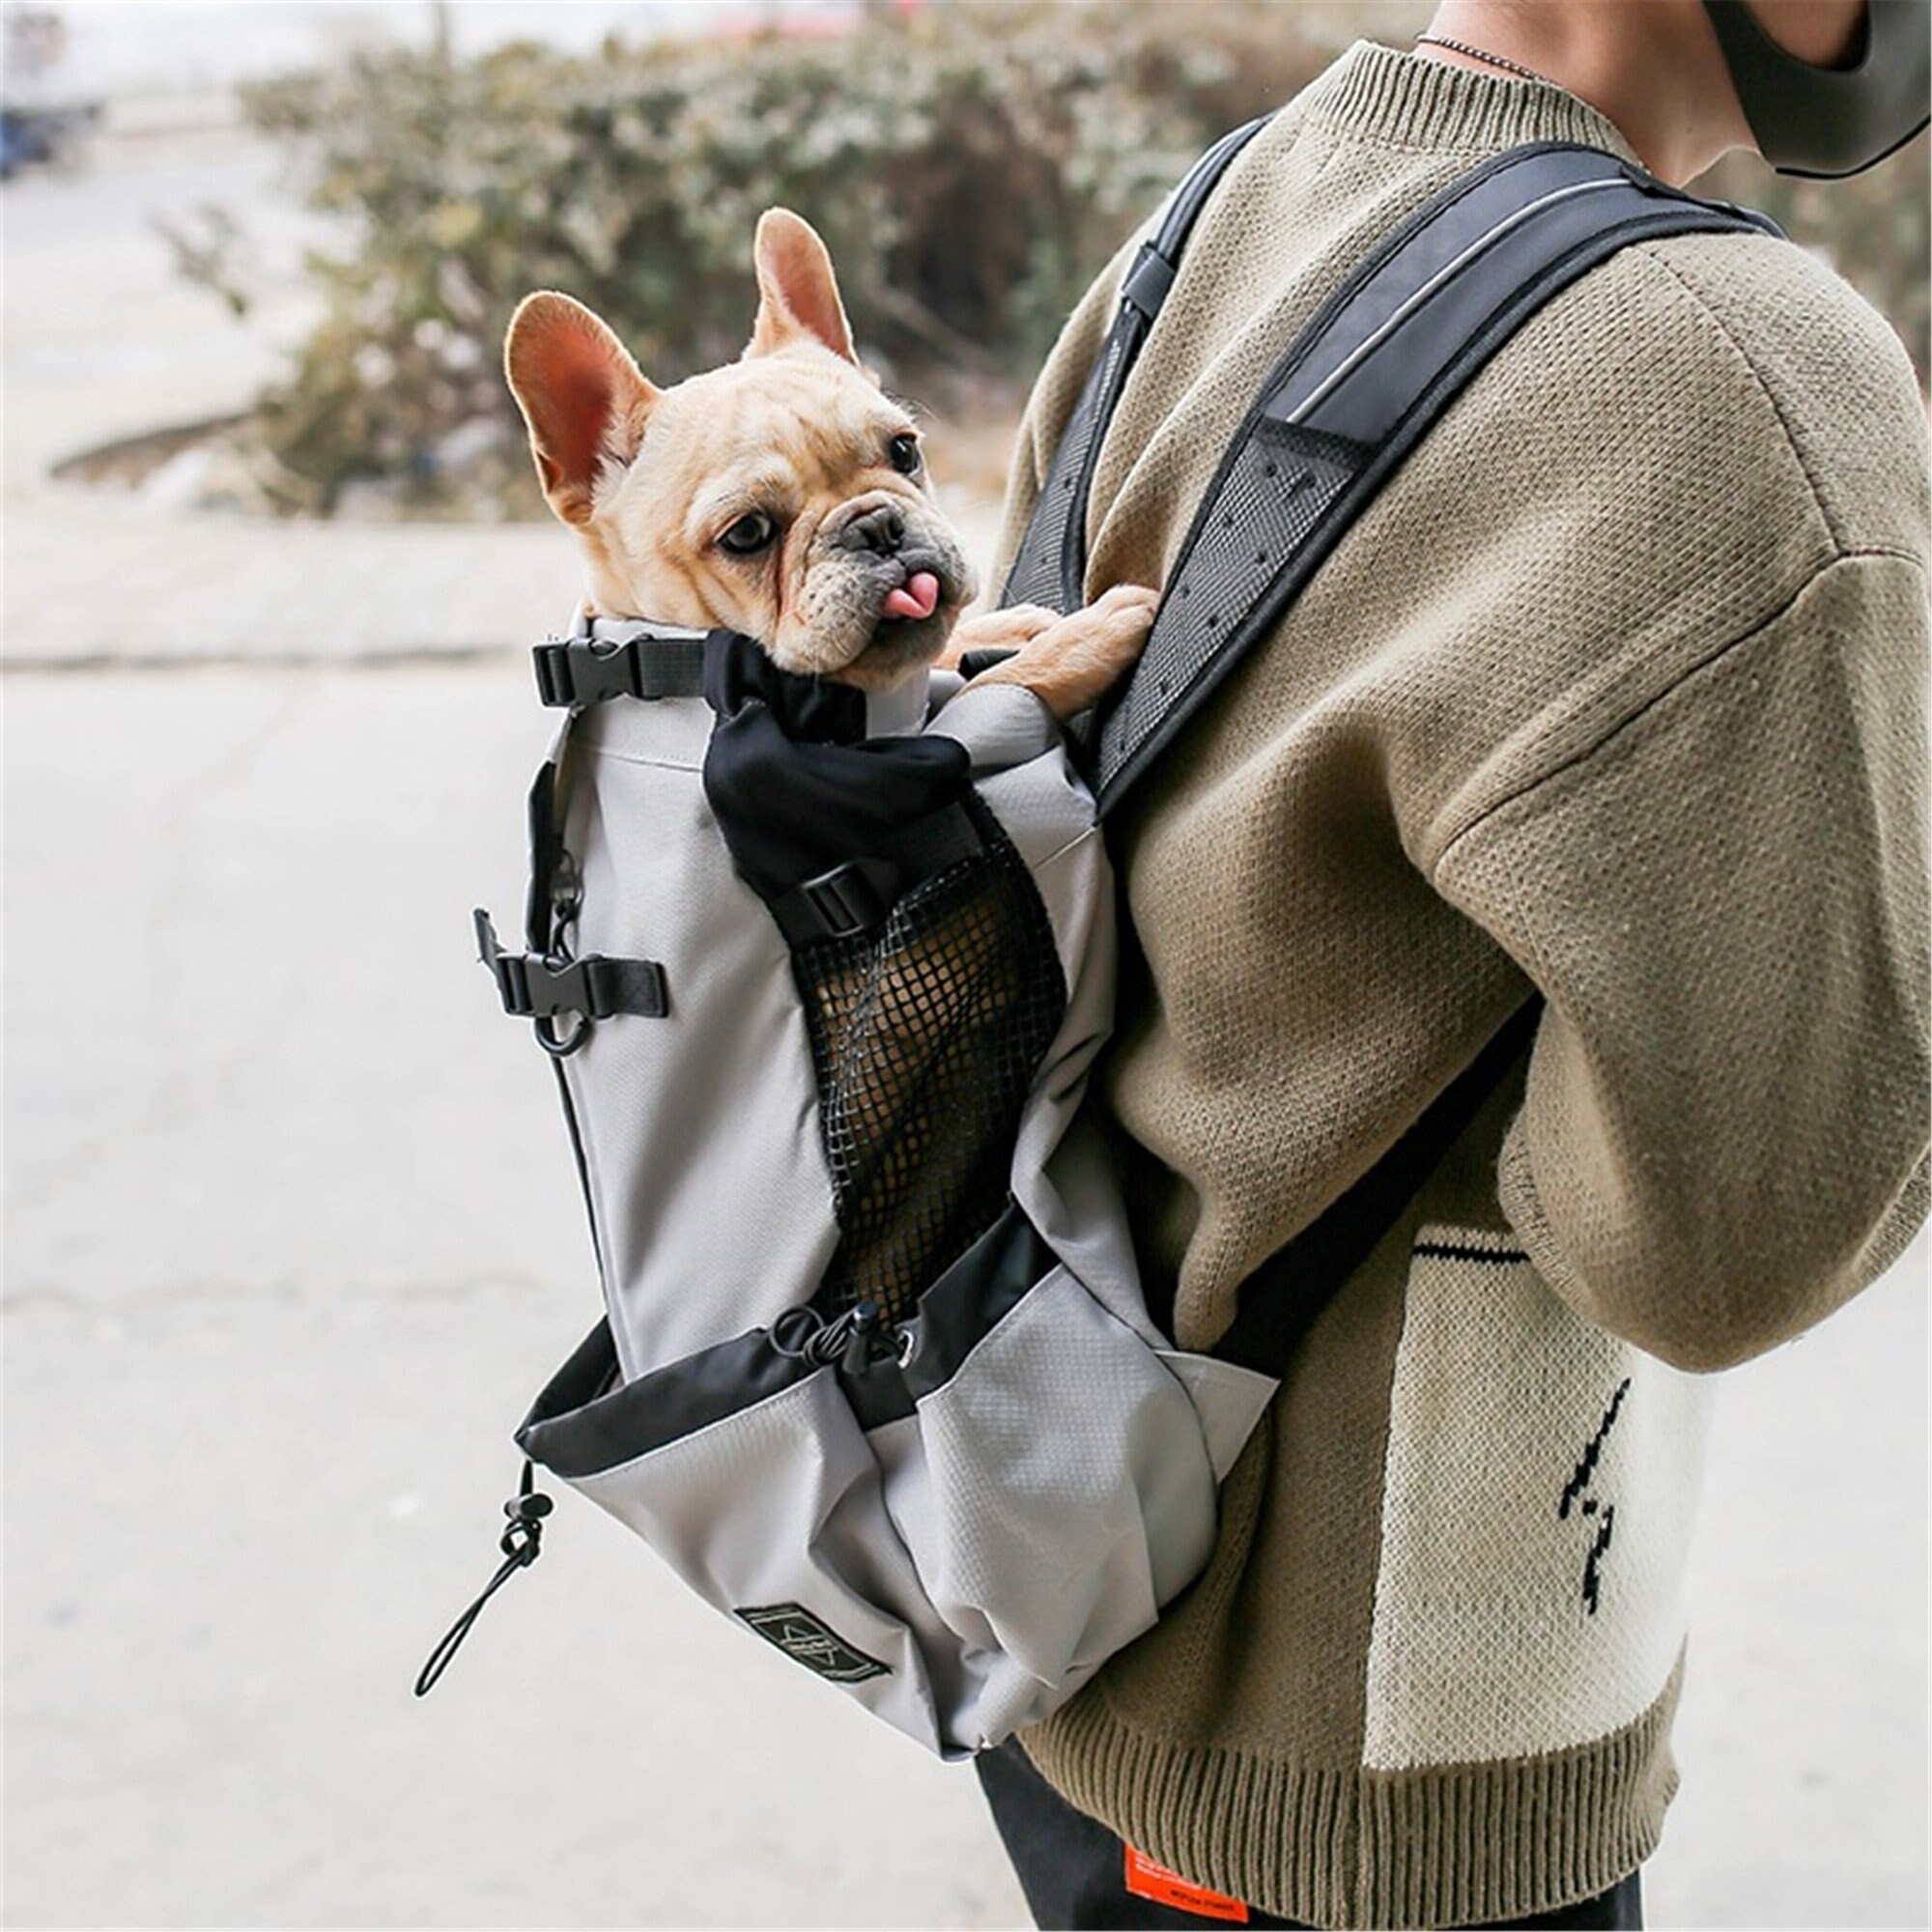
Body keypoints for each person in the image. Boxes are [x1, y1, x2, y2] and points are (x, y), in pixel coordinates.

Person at [973, 3, 1930, 1927]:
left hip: (1064, 1613)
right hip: (1385, 1764)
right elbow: (1731, 1241)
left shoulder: (1219, 210)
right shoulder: (1736, 367)